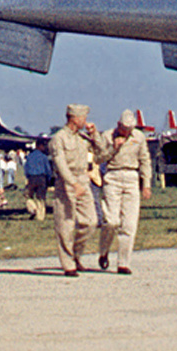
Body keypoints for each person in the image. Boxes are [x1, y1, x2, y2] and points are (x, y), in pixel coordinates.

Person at [51, 104, 108, 276]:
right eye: (83, 117)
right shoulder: (59, 138)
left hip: (83, 179)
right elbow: (60, 163)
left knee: (91, 222)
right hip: (66, 182)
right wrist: (72, 183)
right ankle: (68, 264)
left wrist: (95, 135)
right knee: (66, 225)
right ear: (74, 118)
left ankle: (76, 254)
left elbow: (103, 154)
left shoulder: (82, 137)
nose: (85, 121)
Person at [98, 110, 152, 275]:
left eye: (129, 130)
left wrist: (146, 184)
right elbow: (98, 158)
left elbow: (144, 160)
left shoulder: (139, 137)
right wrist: (113, 149)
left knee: (129, 224)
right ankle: (103, 251)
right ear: (118, 125)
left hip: (131, 177)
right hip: (112, 176)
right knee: (112, 221)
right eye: (123, 129)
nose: (126, 133)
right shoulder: (107, 136)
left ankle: (123, 262)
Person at [24, 137, 53, 220]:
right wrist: (49, 179)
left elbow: (26, 168)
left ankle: (33, 208)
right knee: (41, 198)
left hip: (32, 178)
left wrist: (27, 177)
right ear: (39, 146)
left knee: (28, 196)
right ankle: (40, 217)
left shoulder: (29, 156)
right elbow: (48, 169)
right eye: (43, 146)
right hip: (42, 178)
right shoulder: (44, 157)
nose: (44, 148)